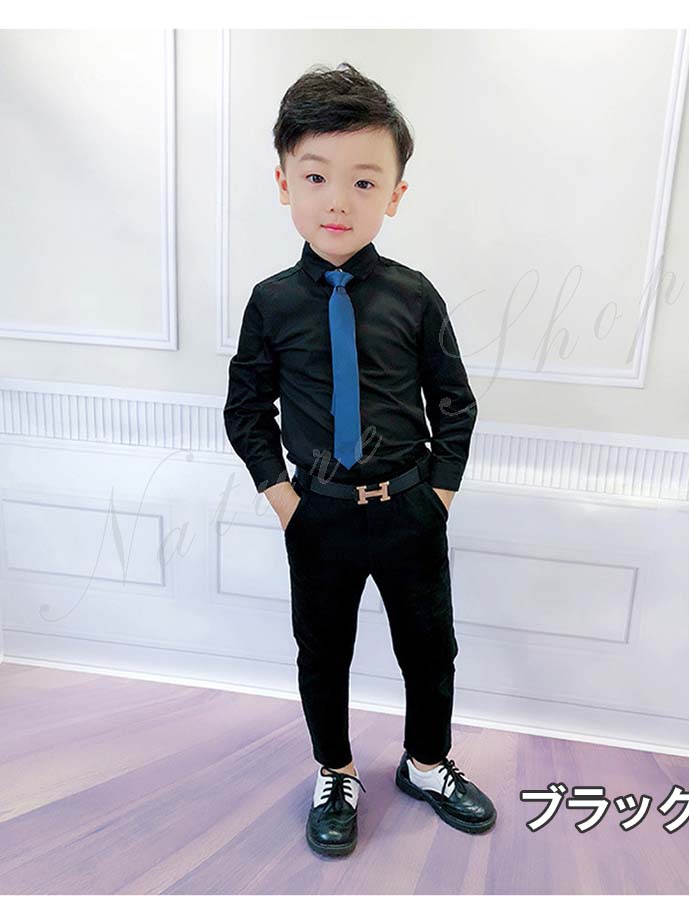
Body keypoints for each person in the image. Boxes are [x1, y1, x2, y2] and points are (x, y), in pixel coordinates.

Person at [224, 62, 496, 858]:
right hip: (321, 515)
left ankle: (426, 763)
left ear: (395, 195)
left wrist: (437, 496)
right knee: (324, 653)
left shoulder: (414, 295)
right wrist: (286, 500)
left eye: (364, 181)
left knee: (430, 649)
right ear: (285, 182)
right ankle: (335, 771)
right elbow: (246, 409)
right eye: (316, 177)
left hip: (409, 510)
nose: (338, 201)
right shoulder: (272, 303)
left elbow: (455, 402)